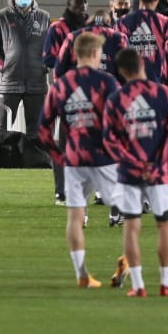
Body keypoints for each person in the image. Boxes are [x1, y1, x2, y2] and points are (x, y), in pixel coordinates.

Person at [37, 31, 121, 288]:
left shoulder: (61, 85)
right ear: (96, 54)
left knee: (75, 217)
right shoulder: (107, 82)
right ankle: (127, 262)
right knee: (129, 212)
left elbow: (42, 128)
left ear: (74, 54)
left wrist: (58, 155)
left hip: (73, 158)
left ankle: (82, 274)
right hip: (105, 157)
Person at [104, 47, 168, 297]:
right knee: (163, 225)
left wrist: (136, 165)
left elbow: (110, 141)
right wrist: (158, 164)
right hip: (159, 172)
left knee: (131, 226)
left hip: (129, 172)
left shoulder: (115, 100)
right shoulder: (163, 93)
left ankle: (138, 286)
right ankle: (166, 283)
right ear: (142, 64)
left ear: (122, 72)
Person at [42, 0, 90, 206]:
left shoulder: (90, 29)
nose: (83, 7)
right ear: (69, 4)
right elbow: (48, 59)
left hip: (89, 94)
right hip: (66, 93)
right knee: (64, 143)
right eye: (79, 3)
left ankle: (90, 189)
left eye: (86, 2)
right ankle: (61, 190)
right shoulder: (57, 28)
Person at [0, 0, 51, 131]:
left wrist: (46, 66)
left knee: (36, 131)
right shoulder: (1, 17)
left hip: (36, 85)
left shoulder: (44, 17)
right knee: (1, 130)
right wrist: (2, 65)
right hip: (9, 84)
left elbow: (51, 45)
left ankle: (34, 155)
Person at [118, 0, 168, 87]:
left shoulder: (122, 23)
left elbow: (117, 56)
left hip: (130, 88)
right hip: (159, 87)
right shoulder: (166, 23)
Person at [53, 9, 127, 78]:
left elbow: (58, 70)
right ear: (108, 21)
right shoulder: (120, 37)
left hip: (78, 85)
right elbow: (128, 69)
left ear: (89, 21)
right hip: (112, 88)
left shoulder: (72, 36)